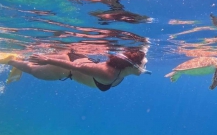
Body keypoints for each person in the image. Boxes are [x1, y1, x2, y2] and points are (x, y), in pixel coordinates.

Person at [0, 49, 151, 91]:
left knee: (33, 64)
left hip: (76, 57)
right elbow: (76, 67)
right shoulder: (107, 74)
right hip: (65, 68)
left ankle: (17, 61)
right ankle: (11, 60)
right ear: (133, 65)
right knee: (32, 69)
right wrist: (47, 60)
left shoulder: (122, 69)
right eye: (144, 64)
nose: (145, 67)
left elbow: (140, 53)